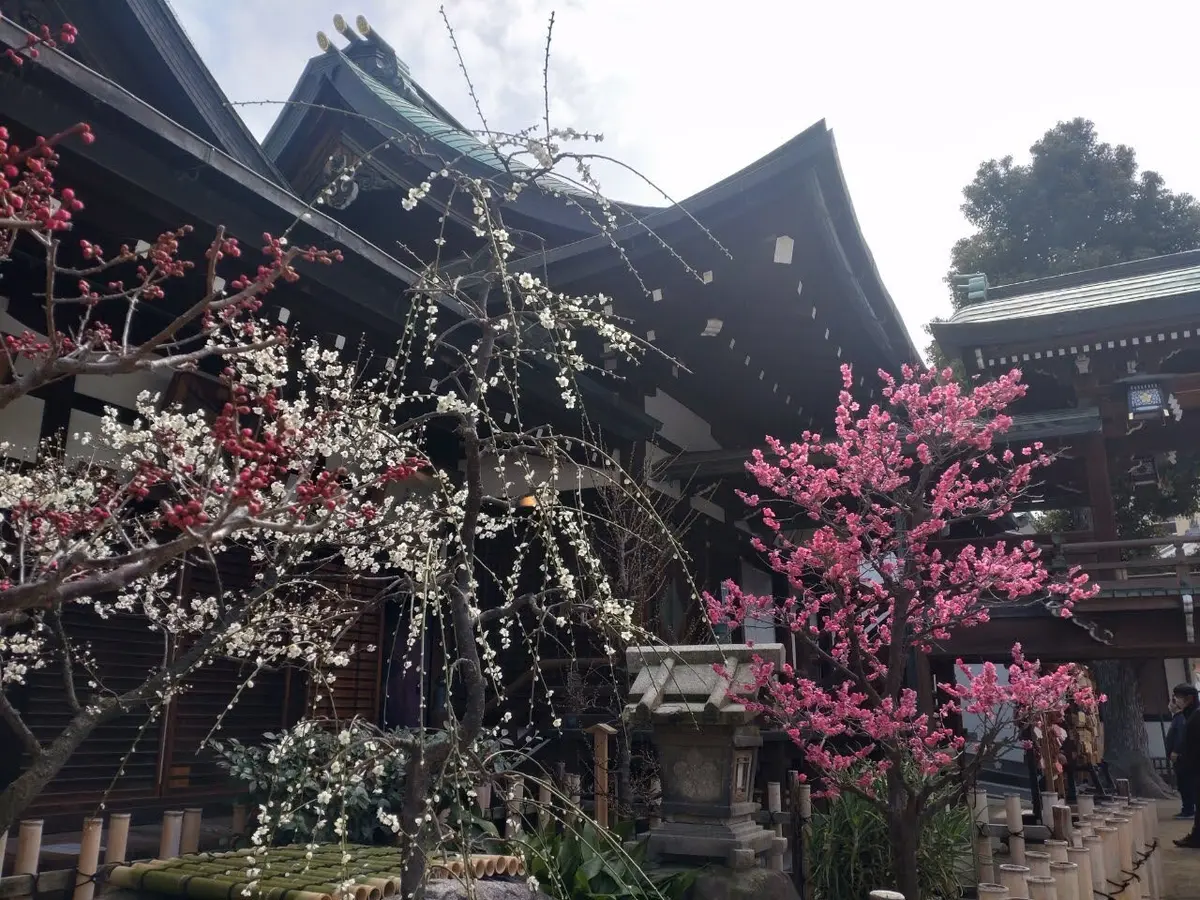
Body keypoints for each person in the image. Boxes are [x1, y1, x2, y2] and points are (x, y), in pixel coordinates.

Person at [1171, 683, 1200, 847]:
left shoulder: (1196, 717)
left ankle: (1196, 837)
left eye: (1178, 698)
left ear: (1189, 699)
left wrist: (1185, 761)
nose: (1176, 701)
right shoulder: (1191, 715)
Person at [1166, 694, 1196, 820]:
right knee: (1183, 784)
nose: (1169, 705)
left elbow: (1181, 737)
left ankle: (1188, 810)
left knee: (1185, 784)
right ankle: (1187, 808)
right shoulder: (1177, 718)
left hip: (1181, 757)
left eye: (1171, 702)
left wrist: (1176, 751)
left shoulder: (1181, 719)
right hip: (1179, 757)